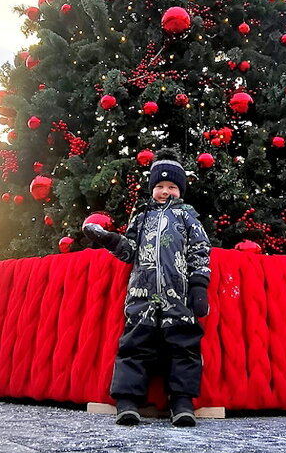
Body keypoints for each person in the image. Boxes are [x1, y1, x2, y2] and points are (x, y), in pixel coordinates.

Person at [83, 149, 211, 427]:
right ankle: (128, 401)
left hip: (178, 295)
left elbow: (200, 251)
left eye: (172, 187)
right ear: (153, 189)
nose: (166, 191)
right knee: (135, 345)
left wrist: (199, 286)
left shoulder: (187, 216)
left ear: (181, 190)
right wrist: (110, 240)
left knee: (183, 346)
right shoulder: (141, 216)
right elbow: (129, 251)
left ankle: (182, 401)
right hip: (142, 294)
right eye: (160, 186)